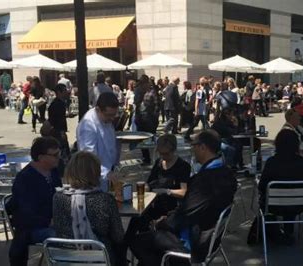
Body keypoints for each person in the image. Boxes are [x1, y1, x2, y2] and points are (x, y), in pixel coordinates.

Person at [127, 130, 237, 266]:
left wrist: (162, 223)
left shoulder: (205, 180)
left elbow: (185, 213)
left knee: (138, 241)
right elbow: (189, 209)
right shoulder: (226, 173)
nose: (192, 149)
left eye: (194, 145)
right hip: (210, 236)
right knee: (143, 229)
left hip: (196, 241)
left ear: (203, 147)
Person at [52, 151, 127, 266]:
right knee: (121, 247)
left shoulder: (58, 198)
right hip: (99, 258)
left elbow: (58, 228)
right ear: (95, 173)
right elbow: (118, 236)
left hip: (65, 258)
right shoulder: (105, 199)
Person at [8, 137, 62, 266]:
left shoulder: (53, 172)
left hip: (53, 221)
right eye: (55, 155)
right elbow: (26, 213)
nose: (59, 157)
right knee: (63, 236)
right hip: (32, 228)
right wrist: (49, 221)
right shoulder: (25, 178)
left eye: (59, 153)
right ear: (41, 157)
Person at [257, 130, 303, 242]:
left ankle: (275, 232)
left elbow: (262, 186)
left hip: (273, 205)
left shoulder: (271, 162)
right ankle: (288, 230)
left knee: (277, 195)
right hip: (299, 205)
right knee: (291, 194)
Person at [77, 92, 120, 191]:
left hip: (108, 171)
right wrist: (106, 173)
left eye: (114, 115)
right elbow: (88, 157)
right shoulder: (88, 126)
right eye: (109, 115)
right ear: (98, 109)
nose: (112, 118)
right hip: (94, 177)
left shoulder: (105, 119)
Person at [135, 75, 160, 165]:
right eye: (140, 84)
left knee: (151, 139)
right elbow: (136, 104)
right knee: (141, 139)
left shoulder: (152, 92)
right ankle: (146, 158)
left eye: (143, 83)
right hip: (140, 119)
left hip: (150, 119)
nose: (141, 85)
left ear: (147, 83)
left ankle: (155, 158)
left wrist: (155, 118)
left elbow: (157, 105)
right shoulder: (138, 91)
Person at [47, 83, 70, 174]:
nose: (66, 93)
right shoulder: (58, 104)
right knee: (61, 153)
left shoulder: (58, 103)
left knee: (62, 152)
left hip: (57, 131)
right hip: (58, 132)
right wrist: (61, 132)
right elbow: (57, 119)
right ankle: (61, 171)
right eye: (64, 91)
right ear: (59, 92)